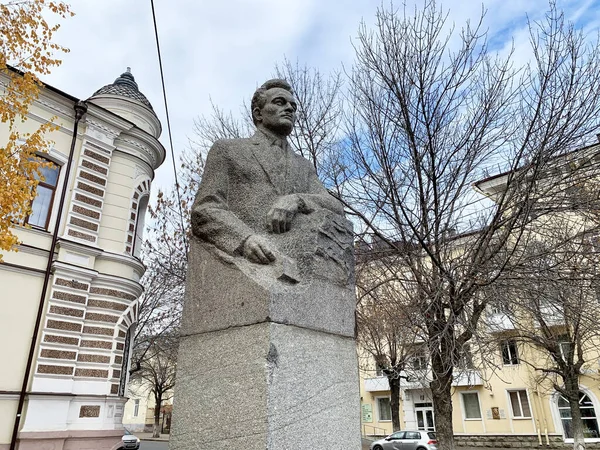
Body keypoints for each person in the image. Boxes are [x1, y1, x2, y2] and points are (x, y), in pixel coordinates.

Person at [191, 79, 345, 265]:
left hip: (299, 259)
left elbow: (335, 206)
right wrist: (244, 239)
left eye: (293, 107)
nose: (289, 109)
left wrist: (298, 200)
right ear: (258, 113)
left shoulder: (304, 166)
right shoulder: (228, 150)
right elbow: (204, 208)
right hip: (253, 260)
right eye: (280, 102)